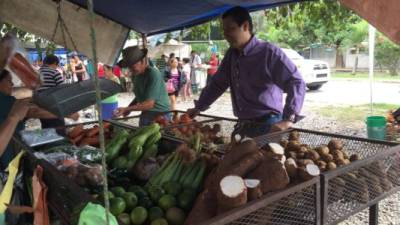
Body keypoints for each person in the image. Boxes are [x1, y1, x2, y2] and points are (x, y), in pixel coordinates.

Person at [187, 6, 306, 138]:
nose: (226, 35)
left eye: (230, 29)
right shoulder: (231, 55)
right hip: (243, 124)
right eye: (224, 30)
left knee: (260, 158)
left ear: (245, 26)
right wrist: (199, 107)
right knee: (229, 157)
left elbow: (296, 82)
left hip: (268, 124)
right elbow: (217, 84)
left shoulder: (268, 52)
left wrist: (288, 119)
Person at [0, 69, 68, 169]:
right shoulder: (5, 100)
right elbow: (33, 112)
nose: (12, 84)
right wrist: (66, 112)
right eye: (9, 80)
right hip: (8, 154)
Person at [113, 46, 170, 126]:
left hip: (160, 115)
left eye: (133, 66)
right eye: (129, 67)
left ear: (143, 61)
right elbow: (140, 96)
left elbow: (149, 104)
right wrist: (128, 109)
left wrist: (127, 109)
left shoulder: (153, 74)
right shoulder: (135, 75)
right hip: (146, 113)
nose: (131, 69)